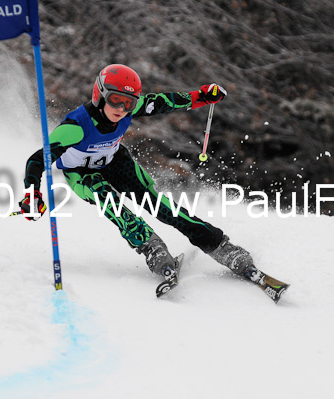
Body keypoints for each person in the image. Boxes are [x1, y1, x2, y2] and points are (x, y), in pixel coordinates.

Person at [19, 64, 273, 290]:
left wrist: (202, 97)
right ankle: (151, 247)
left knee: (159, 205)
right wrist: (32, 193)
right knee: (112, 204)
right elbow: (37, 160)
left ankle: (219, 245)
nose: (122, 108)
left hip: (114, 160)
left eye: (128, 103)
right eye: (116, 100)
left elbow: (164, 101)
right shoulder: (75, 127)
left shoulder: (129, 108)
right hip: (81, 173)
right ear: (100, 95)